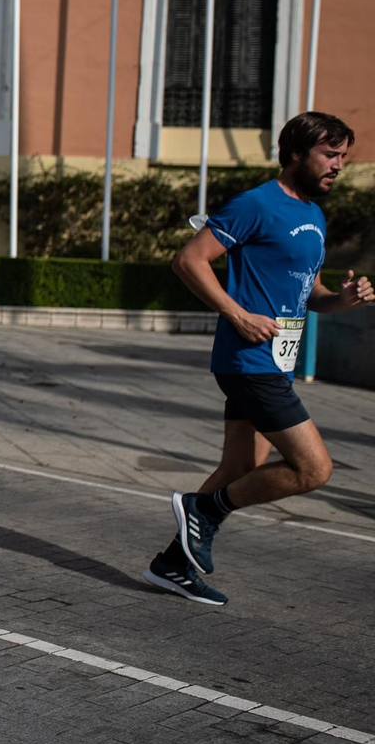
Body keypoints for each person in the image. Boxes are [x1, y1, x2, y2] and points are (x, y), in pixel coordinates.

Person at [143, 112, 373, 606]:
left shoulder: (313, 213)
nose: (339, 166)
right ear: (295, 153)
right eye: (330, 155)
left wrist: (343, 300)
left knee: (242, 465)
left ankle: (173, 564)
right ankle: (201, 512)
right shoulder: (257, 204)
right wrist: (238, 314)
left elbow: (310, 293)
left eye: (343, 158)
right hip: (250, 360)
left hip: (276, 362)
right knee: (315, 469)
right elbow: (189, 259)